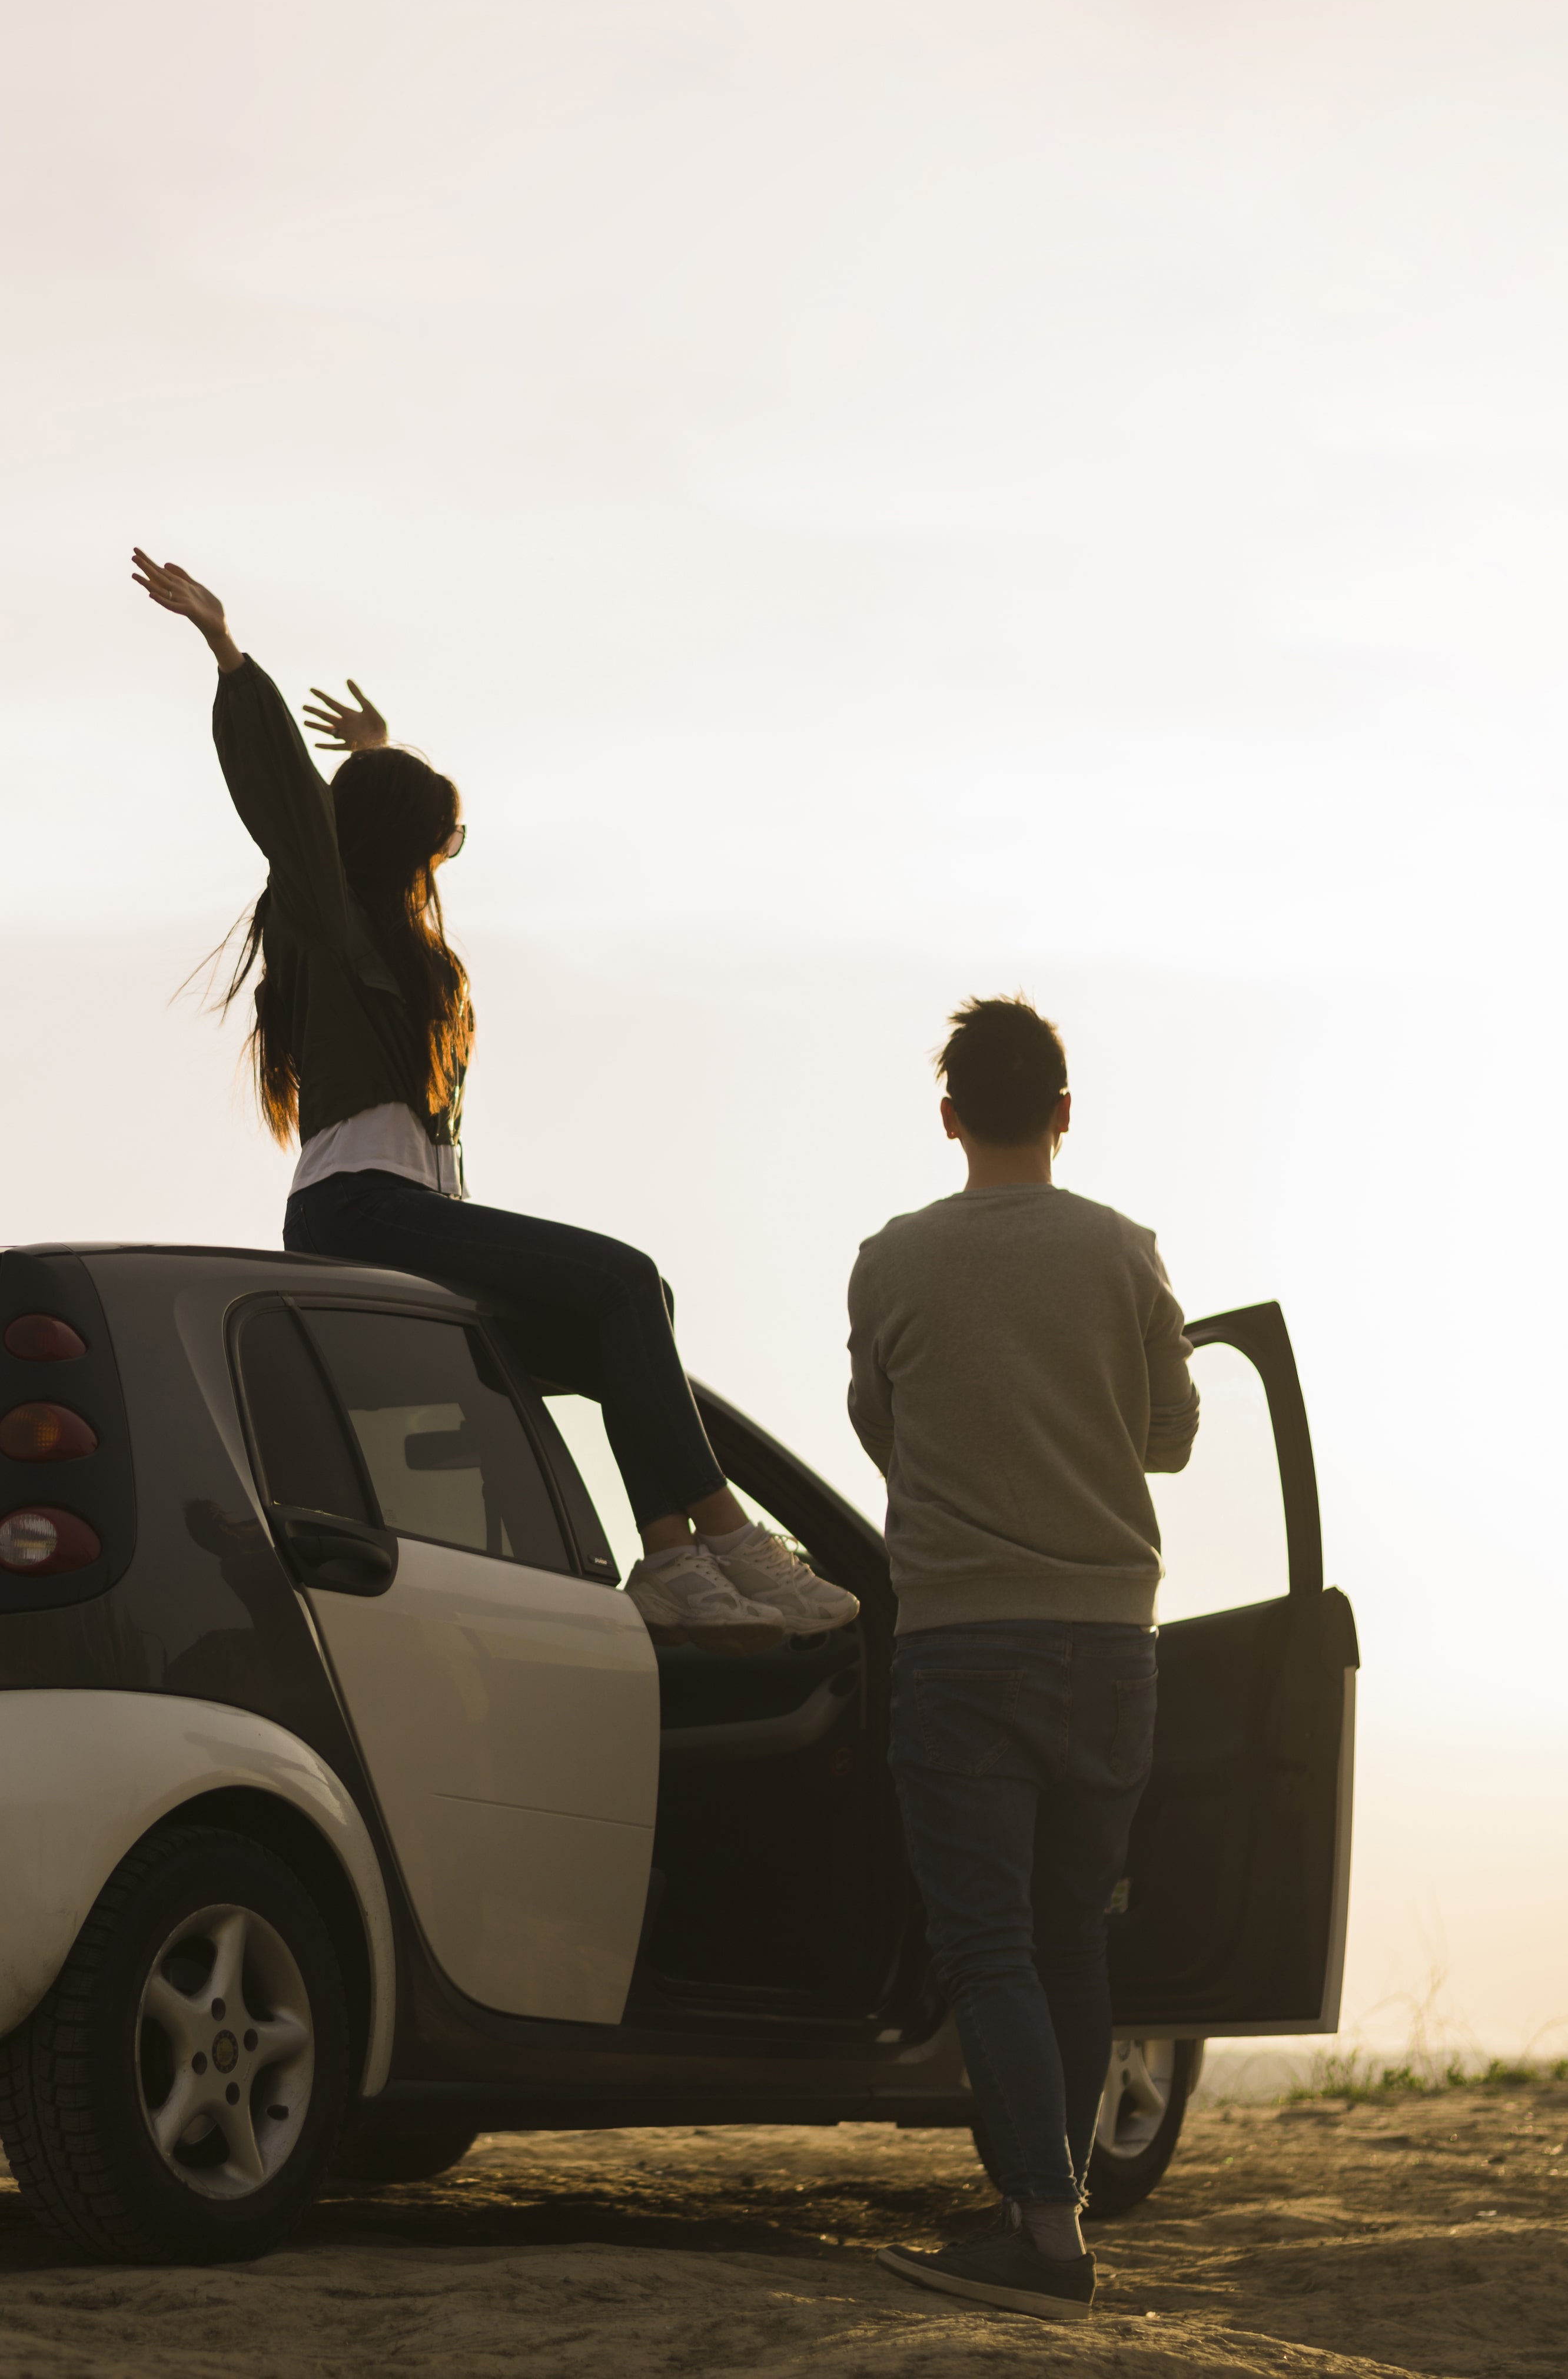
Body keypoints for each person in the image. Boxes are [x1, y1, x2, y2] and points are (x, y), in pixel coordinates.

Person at [132, 548, 855, 1653]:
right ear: (397, 849)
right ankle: (725, 1532)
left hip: (408, 1215)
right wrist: (229, 653)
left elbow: (368, 832)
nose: (444, 861)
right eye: (440, 844)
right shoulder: (327, 920)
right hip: (358, 1211)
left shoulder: (391, 937)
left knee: (625, 1312)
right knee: (624, 1275)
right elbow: (291, 811)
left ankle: (669, 1557)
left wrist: (376, 757)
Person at [853, 996, 1198, 2323]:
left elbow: (882, 1428)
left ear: (948, 1117)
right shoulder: (1124, 1251)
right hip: (1114, 1642)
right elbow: (1169, 1437)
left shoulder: (892, 1260)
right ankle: (1045, 2209)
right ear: (1063, 1112)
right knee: (1067, 1937)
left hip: (963, 1643)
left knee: (987, 1942)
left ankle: (1043, 2234)